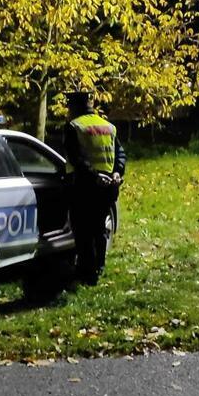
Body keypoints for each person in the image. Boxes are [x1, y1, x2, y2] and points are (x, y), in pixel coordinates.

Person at [62, 90, 126, 285]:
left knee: (83, 231)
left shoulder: (74, 126)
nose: (68, 111)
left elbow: (76, 158)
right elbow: (120, 154)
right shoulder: (108, 127)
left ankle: (86, 273)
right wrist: (117, 172)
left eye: (69, 107)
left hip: (84, 187)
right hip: (107, 188)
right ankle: (99, 267)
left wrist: (93, 175)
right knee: (98, 229)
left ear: (75, 107)